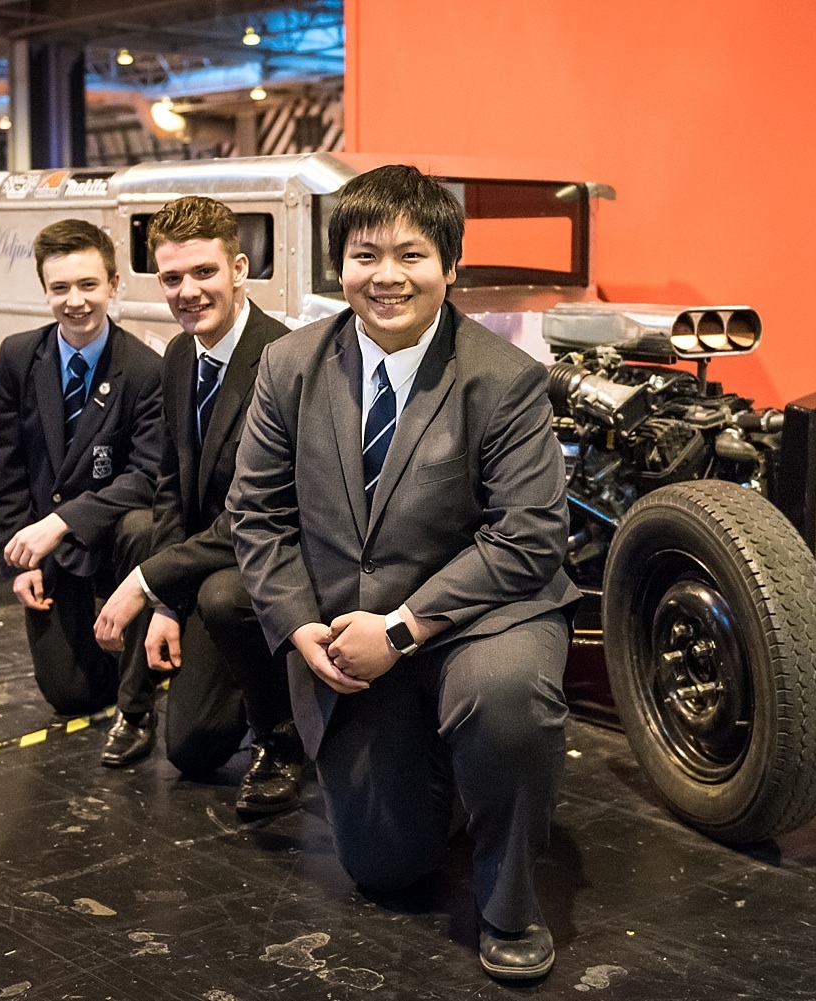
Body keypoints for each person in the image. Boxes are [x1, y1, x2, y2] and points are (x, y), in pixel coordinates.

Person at [226, 165, 579, 980]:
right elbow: (257, 514)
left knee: (505, 699)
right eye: (365, 254)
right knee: (386, 868)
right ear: (339, 266)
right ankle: (451, 772)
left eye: (411, 254)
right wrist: (299, 626)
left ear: (450, 265)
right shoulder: (288, 366)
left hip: (481, 617)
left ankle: (510, 902)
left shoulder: (504, 377)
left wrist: (401, 627)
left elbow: (529, 535)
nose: (387, 275)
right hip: (346, 632)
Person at [93, 195, 302, 811]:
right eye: (172, 278)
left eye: (204, 272)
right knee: (192, 750)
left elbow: (260, 513)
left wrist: (146, 583)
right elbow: (170, 487)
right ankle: (144, 703)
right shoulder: (180, 356)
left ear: (238, 269)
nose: (188, 292)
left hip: (271, 557)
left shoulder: (284, 361)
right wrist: (166, 602)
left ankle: (285, 738)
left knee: (221, 595)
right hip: (208, 559)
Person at [0, 218, 163, 757]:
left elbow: (146, 476)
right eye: (60, 287)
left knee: (142, 527)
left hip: (111, 541)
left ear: (114, 285)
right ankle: (123, 655)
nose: (75, 301)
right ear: (44, 290)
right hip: (49, 552)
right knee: (70, 694)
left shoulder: (146, 370)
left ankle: (137, 695)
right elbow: (5, 465)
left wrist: (61, 522)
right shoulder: (18, 357)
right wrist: (19, 560)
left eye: (88, 285)